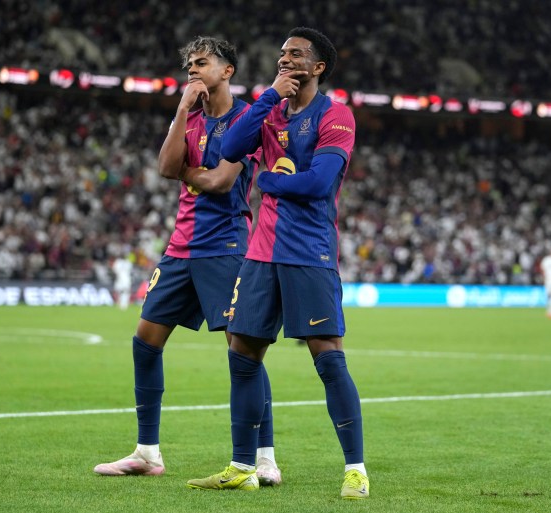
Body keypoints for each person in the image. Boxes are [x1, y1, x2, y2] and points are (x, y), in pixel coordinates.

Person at [186, 27, 368, 499]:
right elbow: (229, 150)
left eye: (296, 55)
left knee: (328, 360)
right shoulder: (267, 113)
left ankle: (355, 470)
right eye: (282, 54)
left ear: (319, 66)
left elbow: (319, 183)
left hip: (310, 253)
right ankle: (243, 466)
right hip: (260, 255)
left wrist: (270, 181)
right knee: (242, 356)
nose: (285, 60)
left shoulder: (336, 116)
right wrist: (268, 96)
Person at [93, 36, 282, 486]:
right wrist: (181, 111)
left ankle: (265, 457)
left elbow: (219, 182)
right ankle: (147, 452)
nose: (194, 71)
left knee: (244, 351)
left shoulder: (249, 120)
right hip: (181, 247)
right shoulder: (191, 118)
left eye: (203, 63)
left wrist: (188, 172)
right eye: (190, 65)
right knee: (145, 340)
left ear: (228, 70)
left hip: (226, 248)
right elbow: (164, 166)